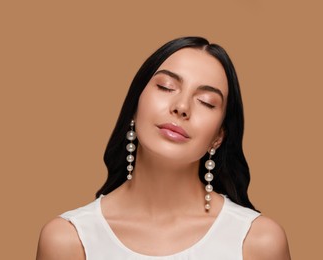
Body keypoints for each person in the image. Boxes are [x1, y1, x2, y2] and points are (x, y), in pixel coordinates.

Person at [36, 36, 291, 259]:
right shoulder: (69, 240)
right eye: (166, 87)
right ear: (135, 105)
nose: (181, 107)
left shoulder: (258, 241)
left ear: (218, 137)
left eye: (206, 101)